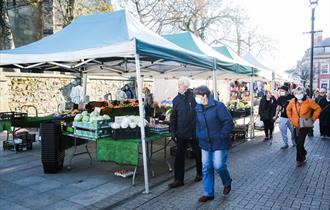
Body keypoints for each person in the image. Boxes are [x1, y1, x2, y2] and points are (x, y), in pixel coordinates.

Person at [193, 86, 234, 202]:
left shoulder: (218, 106)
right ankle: (208, 193)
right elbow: (198, 124)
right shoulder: (198, 108)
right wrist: (199, 134)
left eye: (198, 96)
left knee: (219, 165)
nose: (196, 98)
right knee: (206, 168)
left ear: (205, 96)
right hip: (205, 143)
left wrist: (221, 135)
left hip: (219, 142)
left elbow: (228, 122)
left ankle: (227, 182)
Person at [169, 77, 202, 188]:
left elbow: (201, 112)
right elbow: (173, 117)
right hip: (181, 133)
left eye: (180, 84)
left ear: (186, 86)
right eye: (178, 84)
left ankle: (200, 173)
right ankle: (178, 179)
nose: (178, 86)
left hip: (194, 133)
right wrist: (173, 132)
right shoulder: (176, 100)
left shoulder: (194, 97)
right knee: (179, 157)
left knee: (198, 154)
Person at [287, 87, 321, 167]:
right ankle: (304, 152)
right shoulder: (292, 101)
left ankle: (299, 160)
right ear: (295, 94)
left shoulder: (309, 101)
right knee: (297, 142)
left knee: (299, 143)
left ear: (304, 93)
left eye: (300, 93)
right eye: (297, 93)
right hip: (296, 125)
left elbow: (318, 109)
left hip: (305, 125)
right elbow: (288, 110)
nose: (299, 95)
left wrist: (313, 118)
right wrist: (291, 118)